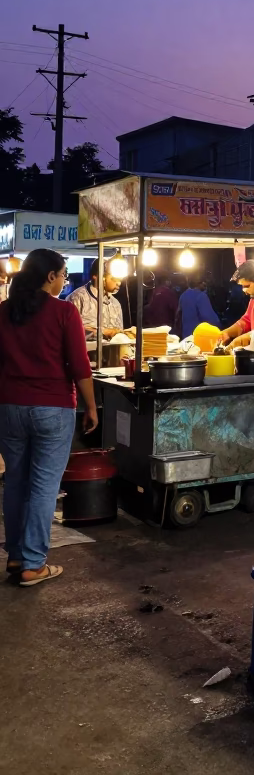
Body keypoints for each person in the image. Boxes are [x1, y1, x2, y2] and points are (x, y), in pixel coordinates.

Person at [0, 248, 98, 586]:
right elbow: (79, 365)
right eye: (63, 275)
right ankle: (33, 564)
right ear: (50, 277)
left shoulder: (4, 311)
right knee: (43, 487)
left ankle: (15, 556)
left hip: (9, 407)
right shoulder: (64, 312)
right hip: (53, 408)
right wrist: (92, 407)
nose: (64, 281)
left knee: (15, 481)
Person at [68, 258, 124, 337]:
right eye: (114, 279)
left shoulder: (116, 304)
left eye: (120, 279)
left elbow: (120, 336)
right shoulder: (77, 298)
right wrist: (103, 332)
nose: (119, 283)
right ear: (96, 276)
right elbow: (70, 330)